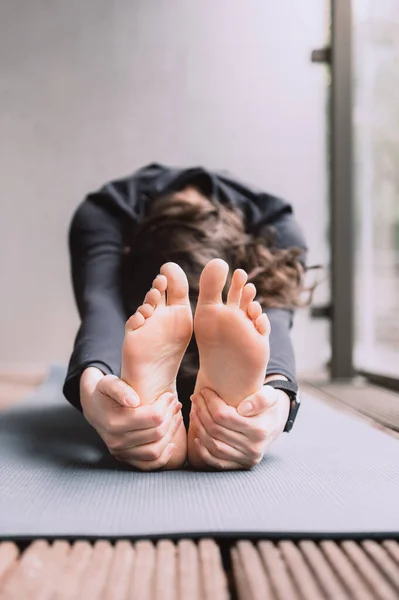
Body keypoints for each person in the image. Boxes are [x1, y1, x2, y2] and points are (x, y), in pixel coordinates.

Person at [63, 163, 310, 471]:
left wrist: (275, 402)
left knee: (236, 328)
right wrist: (93, 392)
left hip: (202, 340)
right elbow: (104, 305)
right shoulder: (103, 216)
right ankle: (201, 409)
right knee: (159, 333)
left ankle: (169, 407)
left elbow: (274, 321)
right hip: (157, 329)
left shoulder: (280, 232)